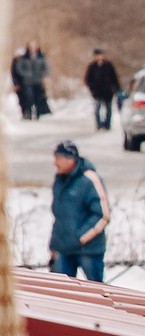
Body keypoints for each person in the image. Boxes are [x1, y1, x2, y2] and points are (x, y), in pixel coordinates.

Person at [50, 142, 110, 283]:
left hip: (88, 249)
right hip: (64, 248)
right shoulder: (59, 180)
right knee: (60, 290)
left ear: (70, 159)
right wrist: (54, 245)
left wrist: (80, 237)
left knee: (97, 290)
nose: (55, 163)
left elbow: (102, 215)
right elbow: (59, 216)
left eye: (58, 158)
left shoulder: (89, 179)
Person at [85, 48, 120, 132]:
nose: (99, 57)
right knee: (97, 109)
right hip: (97, 92)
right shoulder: (92, 66)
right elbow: (88, 79)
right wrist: (92, 88)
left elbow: (114, 77)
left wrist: (116, 88)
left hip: (108, 91)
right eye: (97, 55)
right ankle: (99, 124)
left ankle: (107, 124)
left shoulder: (108, 65)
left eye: (100, 55)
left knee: (108, 109)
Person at [22, 42, 48, 119]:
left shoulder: (41, 57)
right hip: (27, 81)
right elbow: (19, 68)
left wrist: (45, 76)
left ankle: (38, 113)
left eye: (33, 47)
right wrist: (26, 74)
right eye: (30, 47)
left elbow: (46, 68)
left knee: (38, 98)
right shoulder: (24, 58)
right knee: (29, 97)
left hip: (38, 81)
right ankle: (28, 113)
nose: (32, 49)